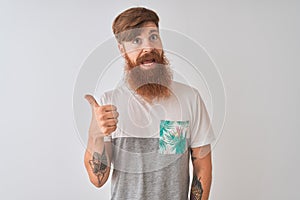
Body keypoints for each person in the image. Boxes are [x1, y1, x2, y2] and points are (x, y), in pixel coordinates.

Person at [84, 7, 215, 200]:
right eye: (136, 40)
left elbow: (202, 168)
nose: (148, 48)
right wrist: (95, 133)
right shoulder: (109, 103)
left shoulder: (189, 98)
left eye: (153, 37)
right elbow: (98, 179)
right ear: (122, 49)